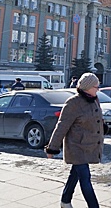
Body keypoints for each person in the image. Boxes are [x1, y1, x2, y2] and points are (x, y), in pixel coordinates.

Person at [45, 73, 104, 208]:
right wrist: (52, 148)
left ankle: (65, 201)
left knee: (75, 174)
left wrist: (102, 127)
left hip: (89, 145)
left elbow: (96, 117)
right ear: (87, 87)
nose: (98, 89)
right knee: (85, 179)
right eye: (96, 87)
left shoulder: (94, 99)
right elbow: (62, 126)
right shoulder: (73, 103)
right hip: (76, 147)